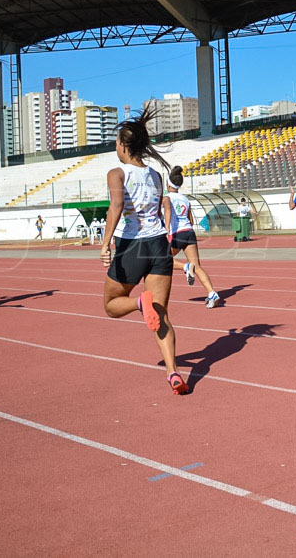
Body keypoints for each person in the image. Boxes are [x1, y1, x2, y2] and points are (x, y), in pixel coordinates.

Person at [100, 107, 189, 396]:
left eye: (116, 143)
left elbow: (115, 207)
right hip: (159, 246)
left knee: (112, 304)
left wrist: (105, 243)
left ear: (124, 146)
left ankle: (140, 303)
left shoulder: (117, 173)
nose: (115, 147)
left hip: (132, 246)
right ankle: (173, 372)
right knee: (161, 314)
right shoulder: (155, 176)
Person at [166, 166, 219, 309]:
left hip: (177, 233)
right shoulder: (185, 199)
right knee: (197, 267)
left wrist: (166, 230)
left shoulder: (166, 199)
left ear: (167, 184)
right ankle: (212, 293)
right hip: (189, 232)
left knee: (161, 259)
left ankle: (185, 267)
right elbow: (192, 220)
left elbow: (167, 215)